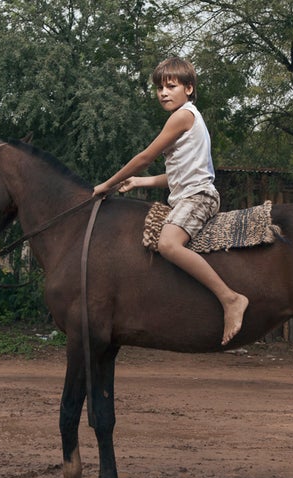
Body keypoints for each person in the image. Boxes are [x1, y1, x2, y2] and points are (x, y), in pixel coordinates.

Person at [93, 57, 249, 346]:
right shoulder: (189, 117)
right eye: (159, 88)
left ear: (189, 88)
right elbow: (176, 174)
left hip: (198, 198)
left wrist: (108, 184)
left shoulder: (182, 116)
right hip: (188, 193)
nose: (163, 92)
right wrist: (142, 182)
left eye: (171, 86)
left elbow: (145, 157)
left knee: (167, 244)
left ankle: (230, 298)